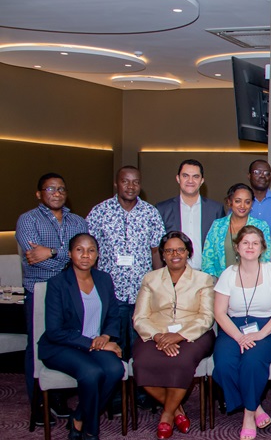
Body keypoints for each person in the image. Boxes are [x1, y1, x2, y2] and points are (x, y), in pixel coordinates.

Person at [38, 233, 124, 440]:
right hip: (62, 346)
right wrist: (94, 343)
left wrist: (105, 337)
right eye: (79, 249)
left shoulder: (104, 279)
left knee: (115, 370)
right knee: (92, 373)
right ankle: (90, 430)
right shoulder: (58, 283)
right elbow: (55, 331)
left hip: (95, 344)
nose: (85, 255)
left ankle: (78, 417)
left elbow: (113, 314)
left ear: (97, 255)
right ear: (70, 253)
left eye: (91, 250)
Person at [17, 172, 89, 419]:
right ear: (39, 194)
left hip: (73, 291)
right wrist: (67, 256)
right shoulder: (27, 220)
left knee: (69, 342)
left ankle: (58, 399)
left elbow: (84, 257)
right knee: (36, 346)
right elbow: (33, 257)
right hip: (40, 290)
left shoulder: (78, 222)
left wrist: (52, 252)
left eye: (61, 189)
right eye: (50, 189)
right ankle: (37, 404)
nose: (56, 193)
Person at [132, 231, 215, 440]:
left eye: (180, 249)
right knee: (141, 364)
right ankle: (178, 411)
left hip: (193, 334)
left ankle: (166, 416)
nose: (174, 254)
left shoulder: (203, 279)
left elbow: (207, 317)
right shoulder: (150, 279)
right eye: (169, 250)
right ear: (162, 255)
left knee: (182, 361)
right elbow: (140, 318)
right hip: (155, 333)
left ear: (188, 253)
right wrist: (158, 336)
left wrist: (179, 335)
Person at [212, 225, 271, 440]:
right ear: (236, 247)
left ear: (262, 248)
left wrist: (261, 334)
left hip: (270, 329)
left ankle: (247, 416)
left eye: (255, 243)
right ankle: (255, 406)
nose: (250, 247)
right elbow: (219, 313)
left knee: (252, 361)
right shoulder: (228, 274)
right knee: (224, 365)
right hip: (233, 327)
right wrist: (238, 337)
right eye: (245, 242)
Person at [86, 166, 166, 360]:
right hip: (111, 291)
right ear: (116, 183)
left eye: (136, 182)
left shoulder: (150, 213)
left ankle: (140, 390)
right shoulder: (100, 212)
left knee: (142, 346)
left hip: (143, 291)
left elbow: (156, 251)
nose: (131, 186)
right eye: (125, 181)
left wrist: (161, 284)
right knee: (114, 345)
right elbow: (89, 252)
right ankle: (116, 390)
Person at [155, 159, 225, 271]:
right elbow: (157, 247)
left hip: (206, 275)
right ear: (178, 178)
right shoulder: (162, 209)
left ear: (202, 180)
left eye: (196, 176)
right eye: (185, 176)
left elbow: (220, 246)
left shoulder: (215, 209)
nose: (190, 180)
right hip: (173, 274)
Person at [202, 183, 271, 278]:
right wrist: (215, 280)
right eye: (238, 201)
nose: (242, 206)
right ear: (230, 202)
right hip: (221, 283)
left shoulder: (261, 226)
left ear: (252, 204)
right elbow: (207, 259)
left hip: (252, 282)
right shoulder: (217, 225)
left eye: (247, 202)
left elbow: (265, 257)